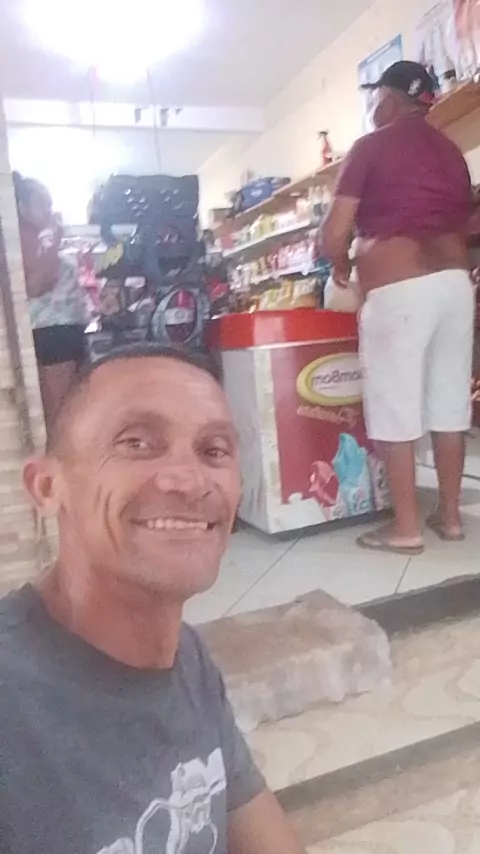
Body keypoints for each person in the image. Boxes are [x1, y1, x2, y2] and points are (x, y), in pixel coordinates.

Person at [0, 343, 302, 854]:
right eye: (136, 442)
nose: (189, 481)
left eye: (214, 451)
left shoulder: (188, 659)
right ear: (47, 487)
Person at [322, 60, 474, 554]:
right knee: (449, 405)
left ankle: (405, 528)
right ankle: (449, 517)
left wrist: (340, 263)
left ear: (386, 98)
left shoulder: (371, 146)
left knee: (394, 408)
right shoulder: (451, 153)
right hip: (455, 287)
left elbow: (335, 231)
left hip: (399, 290)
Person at [14, 172, 89, 429]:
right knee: (61, 411)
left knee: (74, 406)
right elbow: (34, 286)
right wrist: (55, 241)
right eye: (42, 204)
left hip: (65, 329)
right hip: (52, 331)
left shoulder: (38, 238)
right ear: (22, 207)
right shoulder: (21, 240)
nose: (49, 210)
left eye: (50, 204)